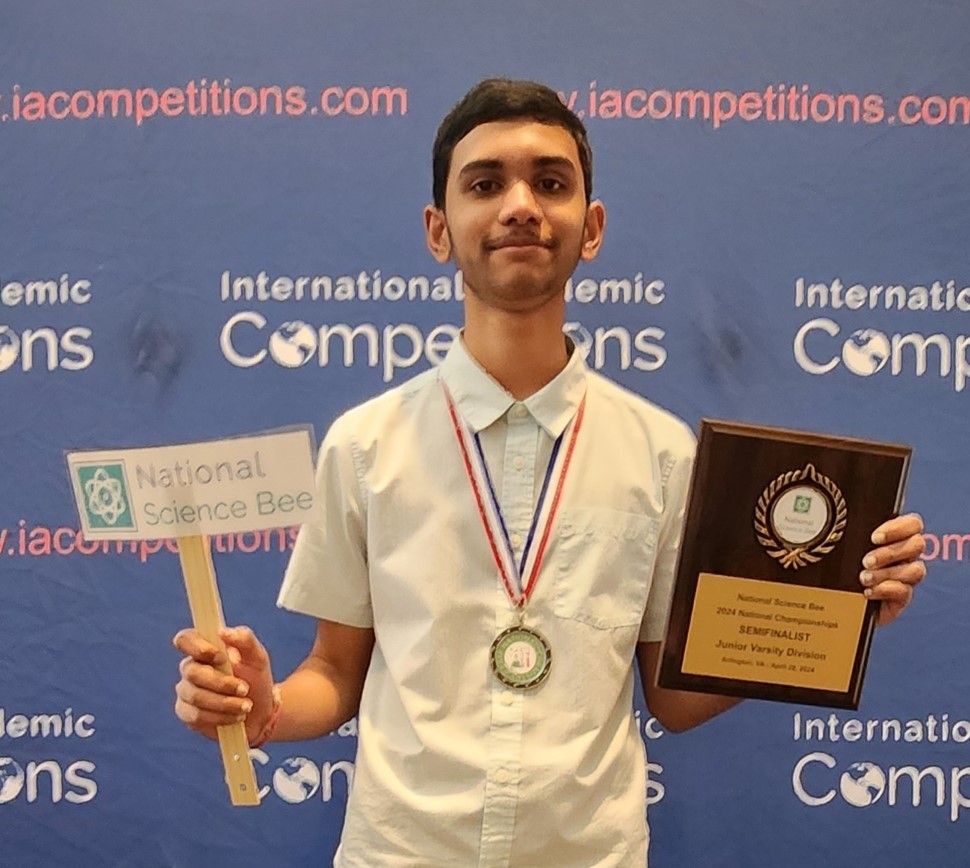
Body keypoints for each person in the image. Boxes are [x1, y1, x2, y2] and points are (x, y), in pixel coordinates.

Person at [173, 78, 926, 867]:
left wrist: (834, 612)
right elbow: (334, 673)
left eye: (551, 182)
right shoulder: (364, 446)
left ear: (590, 228)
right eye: (486, 183)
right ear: (439, 229)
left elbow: (673, 696)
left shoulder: (662, 453)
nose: (521, 204)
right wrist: (263, 707)